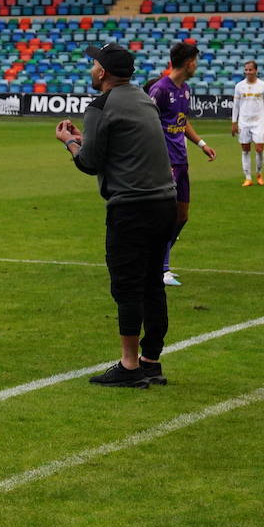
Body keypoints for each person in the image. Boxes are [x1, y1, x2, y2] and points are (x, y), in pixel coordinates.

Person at [55, 42, 176, 388]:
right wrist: (86, 140)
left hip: (132, 207)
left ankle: (129, 365)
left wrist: (69, 142)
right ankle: (151, 361)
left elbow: (89, 162)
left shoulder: (101, 105)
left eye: (94, 64)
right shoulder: (143, 99)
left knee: (127, 285)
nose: (92, 68)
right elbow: (118, 148)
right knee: (153, 281)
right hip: (164, 203)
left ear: (103, 72)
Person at [146, 42, 216, 287]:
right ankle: (161, 268)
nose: (196, 65)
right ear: (188, 62)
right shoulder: (160, 89)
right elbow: (147, 124)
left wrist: (201, 143)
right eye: (195, 60)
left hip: (181, 160)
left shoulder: (185, 89)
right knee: (166, 216)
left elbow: (181, 121)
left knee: (182, 216)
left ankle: (155, 260)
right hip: (165, 163)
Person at [231, 59, 264, 187]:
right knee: (245, 149)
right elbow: (236, 106)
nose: (248, 72)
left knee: (259, 148)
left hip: (258, 121)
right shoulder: (239, 86)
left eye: (250, 69)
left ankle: (259, 173)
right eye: (246, 70)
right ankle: (248, 177)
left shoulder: (263, 86)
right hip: (244, 121)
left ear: (256, 70)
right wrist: (234, 122)